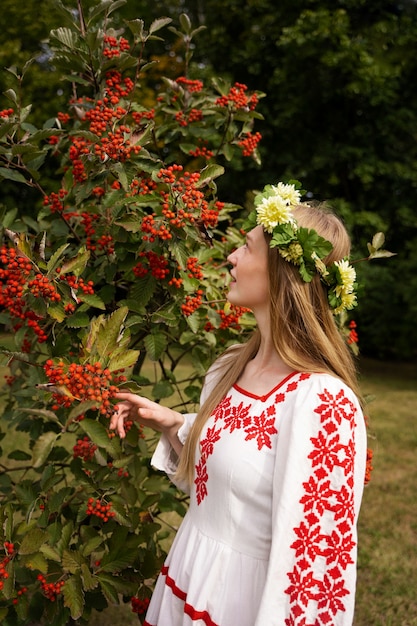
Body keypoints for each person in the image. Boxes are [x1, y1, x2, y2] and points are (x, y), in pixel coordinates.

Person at [110, 182, 367, 626]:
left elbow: (316, 566)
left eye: (246, 247)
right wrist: (175, 425)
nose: (231, 257)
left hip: (240, 606)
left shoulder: (323, 403)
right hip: (192, 576)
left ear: (281, 269)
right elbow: (224, 492)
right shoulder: (230, 366)